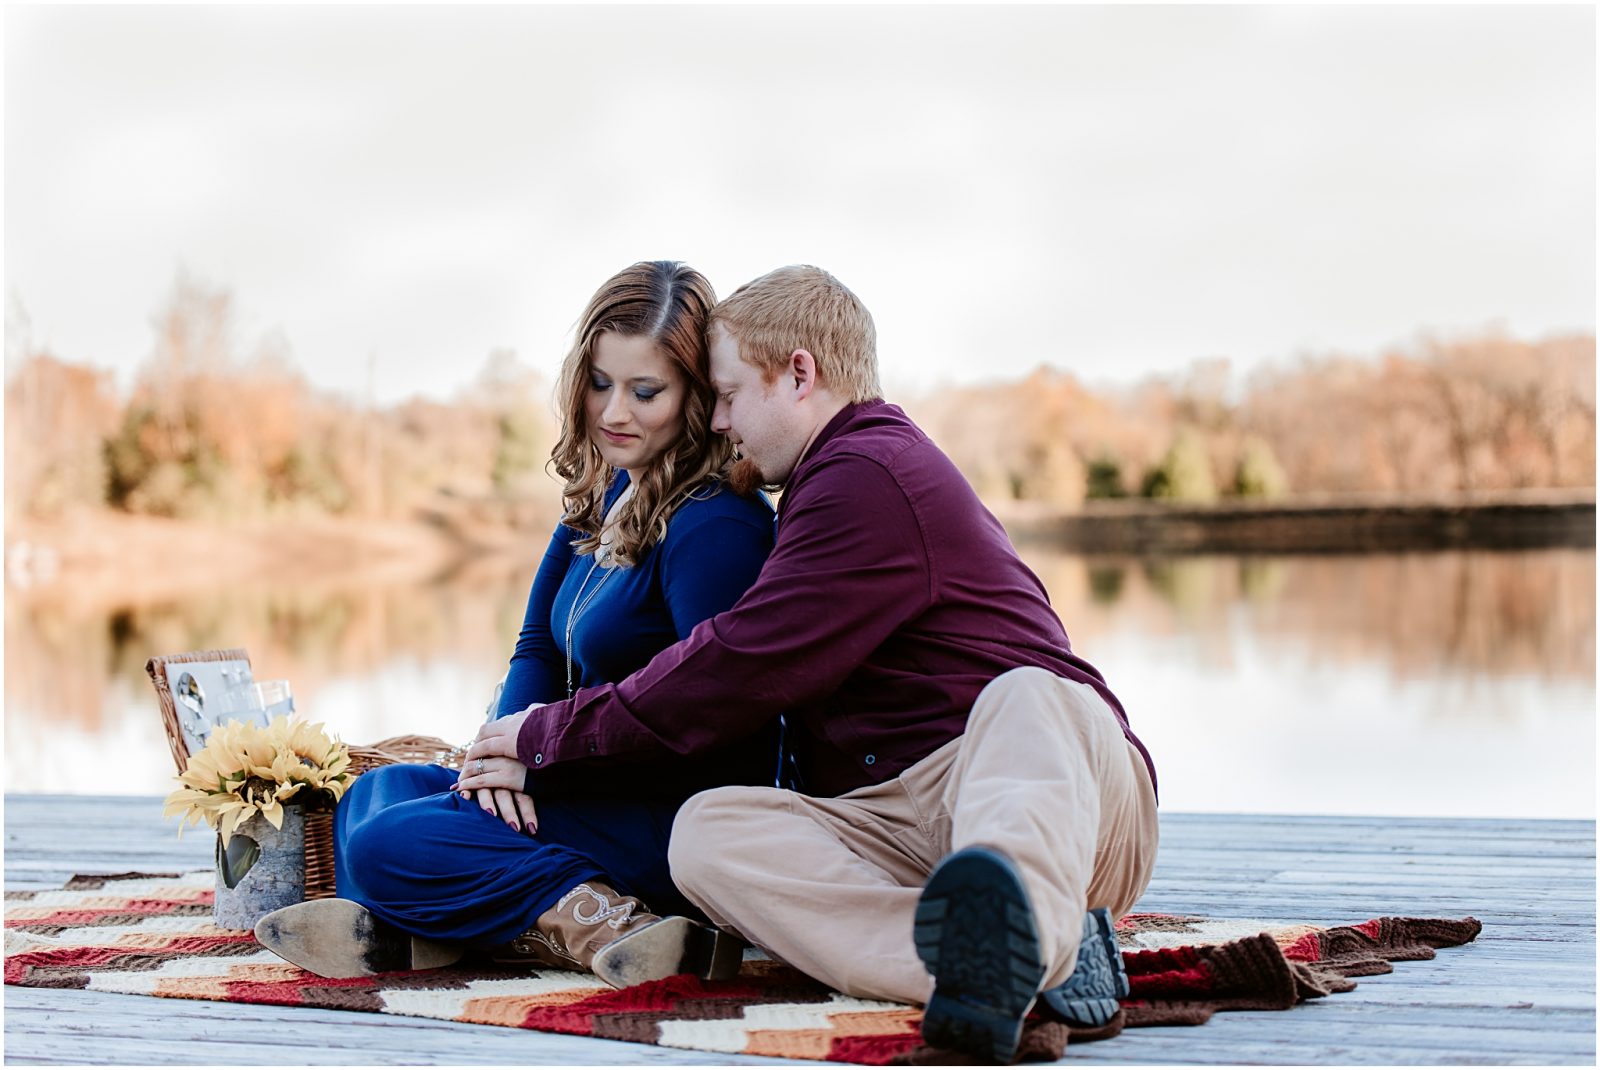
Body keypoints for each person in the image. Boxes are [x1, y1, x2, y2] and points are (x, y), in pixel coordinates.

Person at [458, 265, 1160, 1064]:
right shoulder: (809, 491)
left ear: (800, 373)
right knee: (709, 833)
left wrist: (543, 738)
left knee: (1032, 694)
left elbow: (735, 666)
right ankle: (1016, 957)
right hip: (903, 821)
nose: (716, 421)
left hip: (1049, 796)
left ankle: (1025, 925)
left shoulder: (872, 474)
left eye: (726, 394)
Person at [255, 260, 778, 989]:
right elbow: (536, 647)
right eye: (600, 383)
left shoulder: (716, 524)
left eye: (645, 391)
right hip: (571, 775)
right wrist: (497, 757)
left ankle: (595, 918)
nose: (614, 412)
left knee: (385, 847)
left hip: (663, 813)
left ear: (694, 394)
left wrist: (541, 757)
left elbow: (716, 718)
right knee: (379, 793)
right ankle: (533, 925)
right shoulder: (605, 497)